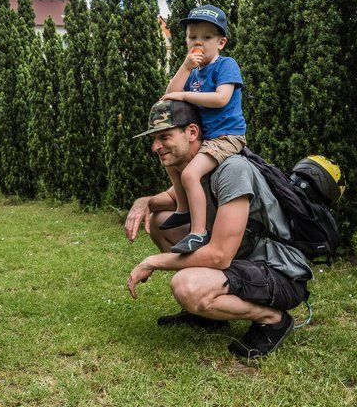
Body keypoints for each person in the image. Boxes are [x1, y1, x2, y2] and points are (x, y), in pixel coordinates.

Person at [127, 100, 311, 359]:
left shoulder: (230, 169)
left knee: (187, 285)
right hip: (243, 261)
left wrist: (153, 261)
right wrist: (143, 202)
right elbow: (169, 200)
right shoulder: (193, 169)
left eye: (164, 137)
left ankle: (273, 319)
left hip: (278, 272)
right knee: (160, 221)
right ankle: (207, 315)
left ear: (192, 133)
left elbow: (219, 256)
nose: (155, 147)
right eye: (154, 139)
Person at [158, 5, 246, 256]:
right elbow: (169, 96)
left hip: (227, 136)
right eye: (192, 37)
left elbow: (221, 99)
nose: (199, 43)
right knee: (173, 164)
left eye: (207, 38)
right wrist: (185, 67)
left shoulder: (226, 65)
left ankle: (197, 233)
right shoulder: (194, 72)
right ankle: (183, 210)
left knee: (189, 175)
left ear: (221, 42)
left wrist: (186, 94)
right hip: (207, 137)